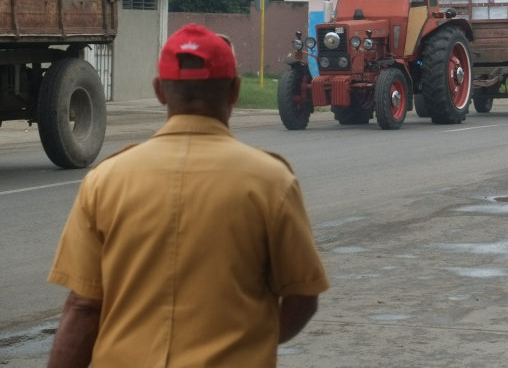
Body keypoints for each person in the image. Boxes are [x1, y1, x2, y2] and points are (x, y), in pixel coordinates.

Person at [47, 25, 330, 367]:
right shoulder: (272, 181)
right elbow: (302, 296)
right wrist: (250, 343)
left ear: (159, 92)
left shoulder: (106, 180)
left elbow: (83, 307)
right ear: (235, 91)